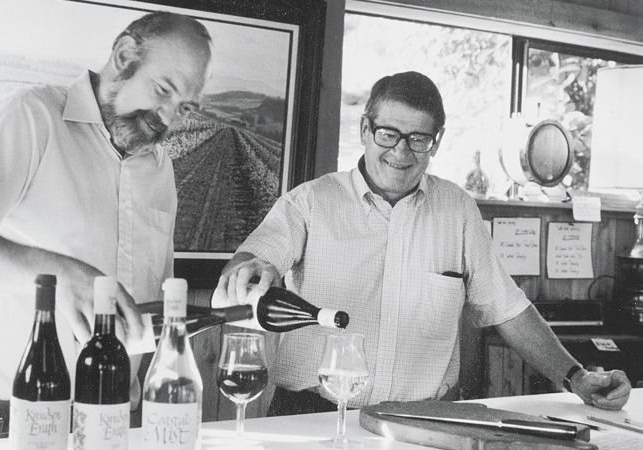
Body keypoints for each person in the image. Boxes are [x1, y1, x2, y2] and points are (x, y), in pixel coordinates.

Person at [214, 71, 631, 415]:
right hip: (309, 414)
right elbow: (250, 262)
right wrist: (253, 270)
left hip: (422, 422)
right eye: (388, 133)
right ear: (364, 129)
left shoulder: (458, 210)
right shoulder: (310, 202)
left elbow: (510, 310)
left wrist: (577, 377)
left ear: (437, 140)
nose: (401, 151)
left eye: (418, 138)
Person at [0, 11, 212, 431]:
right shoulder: (30, 117)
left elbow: (151, 292)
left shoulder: (161, 168)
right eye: (164, 90)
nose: (167, 117)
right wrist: (58, 276)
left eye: (185, 108)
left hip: (116, 412)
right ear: (125, 55)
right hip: (8, 411)